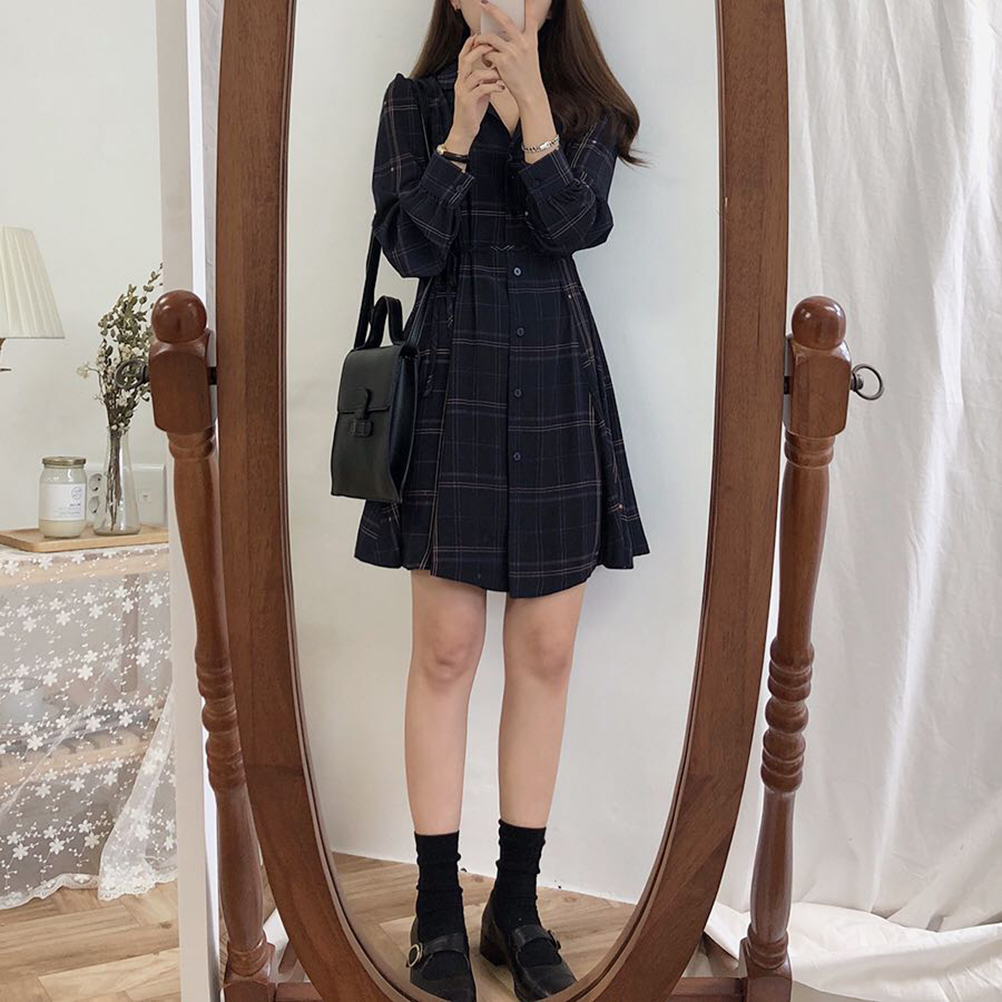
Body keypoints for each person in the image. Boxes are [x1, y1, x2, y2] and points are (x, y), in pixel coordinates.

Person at [354, 1, 649, 998]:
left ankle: (514, 908)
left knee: (547, 653)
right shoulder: (411, 104)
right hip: (452, 385)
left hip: (556, 384)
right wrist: (456, 137)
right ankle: (438, 910)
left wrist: (533, 121)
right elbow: (410, 252)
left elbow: (576, 228)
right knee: (445, 652)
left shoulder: (589, 110)